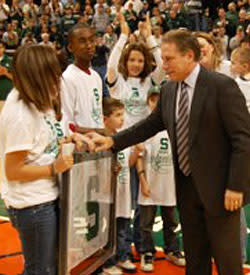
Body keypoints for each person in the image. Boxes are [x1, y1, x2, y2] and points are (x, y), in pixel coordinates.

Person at [88, 29, 250, 275]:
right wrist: (112, 142)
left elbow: (243, 139)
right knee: (195, 260)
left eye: (169, 59)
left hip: (221, 191)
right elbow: (149, 125)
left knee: (228, 263)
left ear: (189, 56)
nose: (163, 65)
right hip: (185, 188)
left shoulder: (221, 86)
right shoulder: (169, 90)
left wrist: (236, 185)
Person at [0, 44, 93, 275]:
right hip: (32, 204)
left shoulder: (39, 102)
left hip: (45, 198)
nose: (58, 83)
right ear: (36, 78)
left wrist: (68, 139)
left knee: (49, 266)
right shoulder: (20, 114)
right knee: (40, 270)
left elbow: (41, 145)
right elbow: (13, 170)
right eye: (51, 76)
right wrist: (54, 168)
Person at [137, 86, 185, 272]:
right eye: (153, 100)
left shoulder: (177, 125)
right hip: (150, 184)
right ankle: (147, 253)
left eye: (160, 100)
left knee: (171, 222)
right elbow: (139, 157)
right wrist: (143, 181)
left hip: (169, 185)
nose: (157, 104)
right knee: (146, 225)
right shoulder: (146, 127)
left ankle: (172, 250)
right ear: (148, 102)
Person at [102, 97, 142, 274]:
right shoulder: (102, 141)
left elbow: (129, 163)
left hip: (124, 191)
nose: (122, 119)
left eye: (122, 115)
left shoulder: (123, 138)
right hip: (107, 194)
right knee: (108, 230)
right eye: (117, 115)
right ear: (105, 119)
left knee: (124, 225)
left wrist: (136, 152)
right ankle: (108, 262)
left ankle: (123, 256)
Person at [61, 23, 104, 132]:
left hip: (99, 143)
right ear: (70, 47)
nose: (89, 45)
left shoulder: (96, 76)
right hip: (81, 145)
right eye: (82, 41)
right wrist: (96, 132)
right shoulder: (67, 78)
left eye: (91, 40)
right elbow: (66, 123)